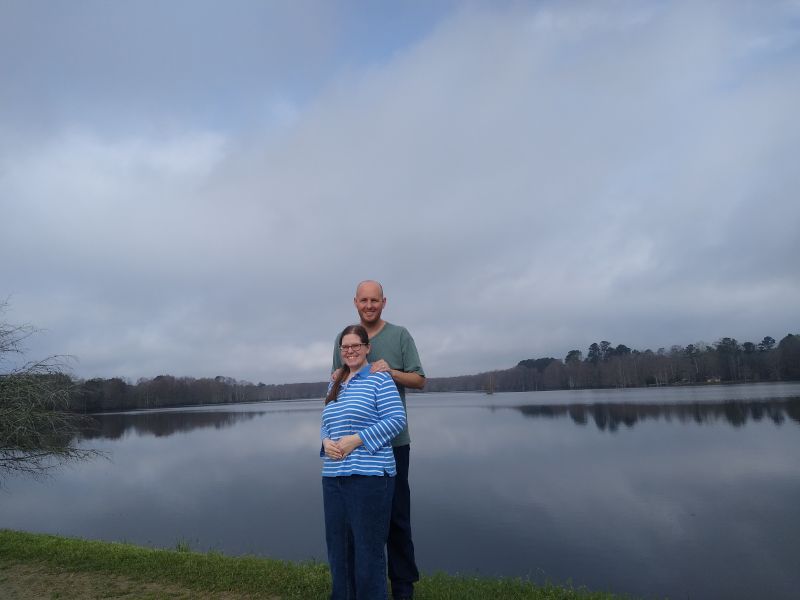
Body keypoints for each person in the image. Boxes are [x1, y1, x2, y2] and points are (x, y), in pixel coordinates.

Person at [332, 281, 425, 600]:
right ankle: (361, 588)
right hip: (353, 450)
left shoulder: (399, 335)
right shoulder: (345, 338)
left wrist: (390, 371)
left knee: (397, 518)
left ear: (383, 302)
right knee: (355, 525)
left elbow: (420, 379)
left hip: (393, 444)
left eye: (375, 300)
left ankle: (402, 588)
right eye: (363, 300)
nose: (369, 305)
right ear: (355, 302)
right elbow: (340, 381)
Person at [322, 324, 407, 600]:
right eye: (345, 347)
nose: (350, 351)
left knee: (368, 552)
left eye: (355, 346)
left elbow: (396, 420)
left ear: (367, 348)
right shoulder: (335, 382)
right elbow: (327, 422)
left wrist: (356, 440)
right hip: (334, 477)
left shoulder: (379, 379)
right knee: (339, 550)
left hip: (370, 479)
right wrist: (325, 442)